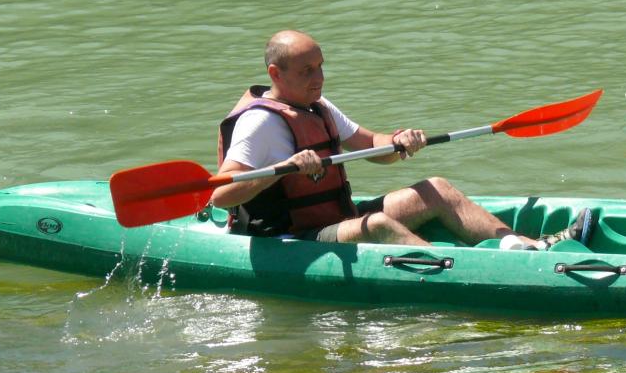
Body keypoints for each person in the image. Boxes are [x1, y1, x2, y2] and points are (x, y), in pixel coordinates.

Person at [214, 30, 584, 248]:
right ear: (276, 74)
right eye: (307, 70)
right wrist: (281, 170)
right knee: (376, 223)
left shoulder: (315, 104)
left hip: (336, 217)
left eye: (321, 66)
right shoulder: (259, 124)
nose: (319, 77)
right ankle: (463, 272)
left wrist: (398, 141)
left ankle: (528, 246)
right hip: (292, 240)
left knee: (435, 188)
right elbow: (221, 194)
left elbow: (369, 144)